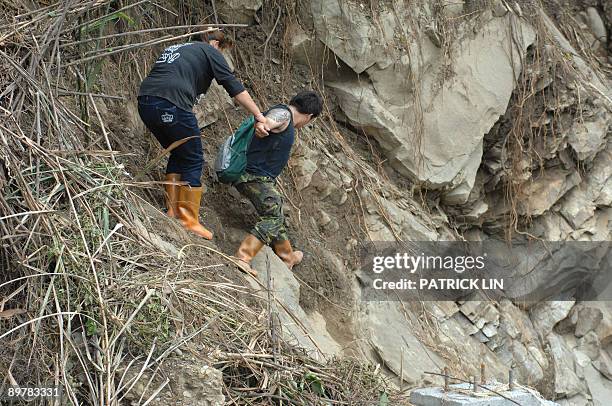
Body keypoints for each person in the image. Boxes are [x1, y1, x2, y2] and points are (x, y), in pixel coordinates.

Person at [137, 29, 267, 240]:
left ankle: (172, 210)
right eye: (222, 50)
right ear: (215, 43)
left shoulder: (175, 48)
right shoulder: (208, 50)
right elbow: (233, 86)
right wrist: (258, 115)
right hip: (172, 104)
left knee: (180, 153)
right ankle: (188, 220)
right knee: (194, 157)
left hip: (145, 103)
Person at [234, 91, 323, 276]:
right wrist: (264, 124)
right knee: (272, 216)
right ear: (309, 117)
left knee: (277, 211)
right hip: (252, 176)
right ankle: (243, 257)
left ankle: (287, 256)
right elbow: (270, 120)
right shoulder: (284, 114)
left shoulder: (286, 116)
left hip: (256, 176)